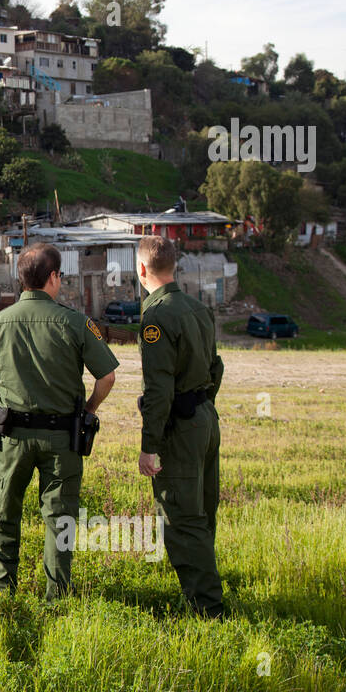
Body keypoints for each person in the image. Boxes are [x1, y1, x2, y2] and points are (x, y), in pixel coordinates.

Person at [0, 243, 118, 599]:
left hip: (14, 436)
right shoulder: (76, 323)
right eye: (60, 275)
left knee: (5, 510)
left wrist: (2, 410)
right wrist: (88, 411)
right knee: (60, 518)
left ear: (21, 280)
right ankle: (57, 593)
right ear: (53, 277)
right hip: (62, 439)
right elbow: (108, 378)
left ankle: (2, 586)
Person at [135, 235, 225, 617]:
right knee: (203, 510)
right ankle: (206, 588)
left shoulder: (156, 317)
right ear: (174, 266)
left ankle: (209, 609)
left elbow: (159, 389)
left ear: (141, 270)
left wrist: (149, 444)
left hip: (182, 426)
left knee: (182, 516)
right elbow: (216, 366)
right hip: (205, 416)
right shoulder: (197, 308)